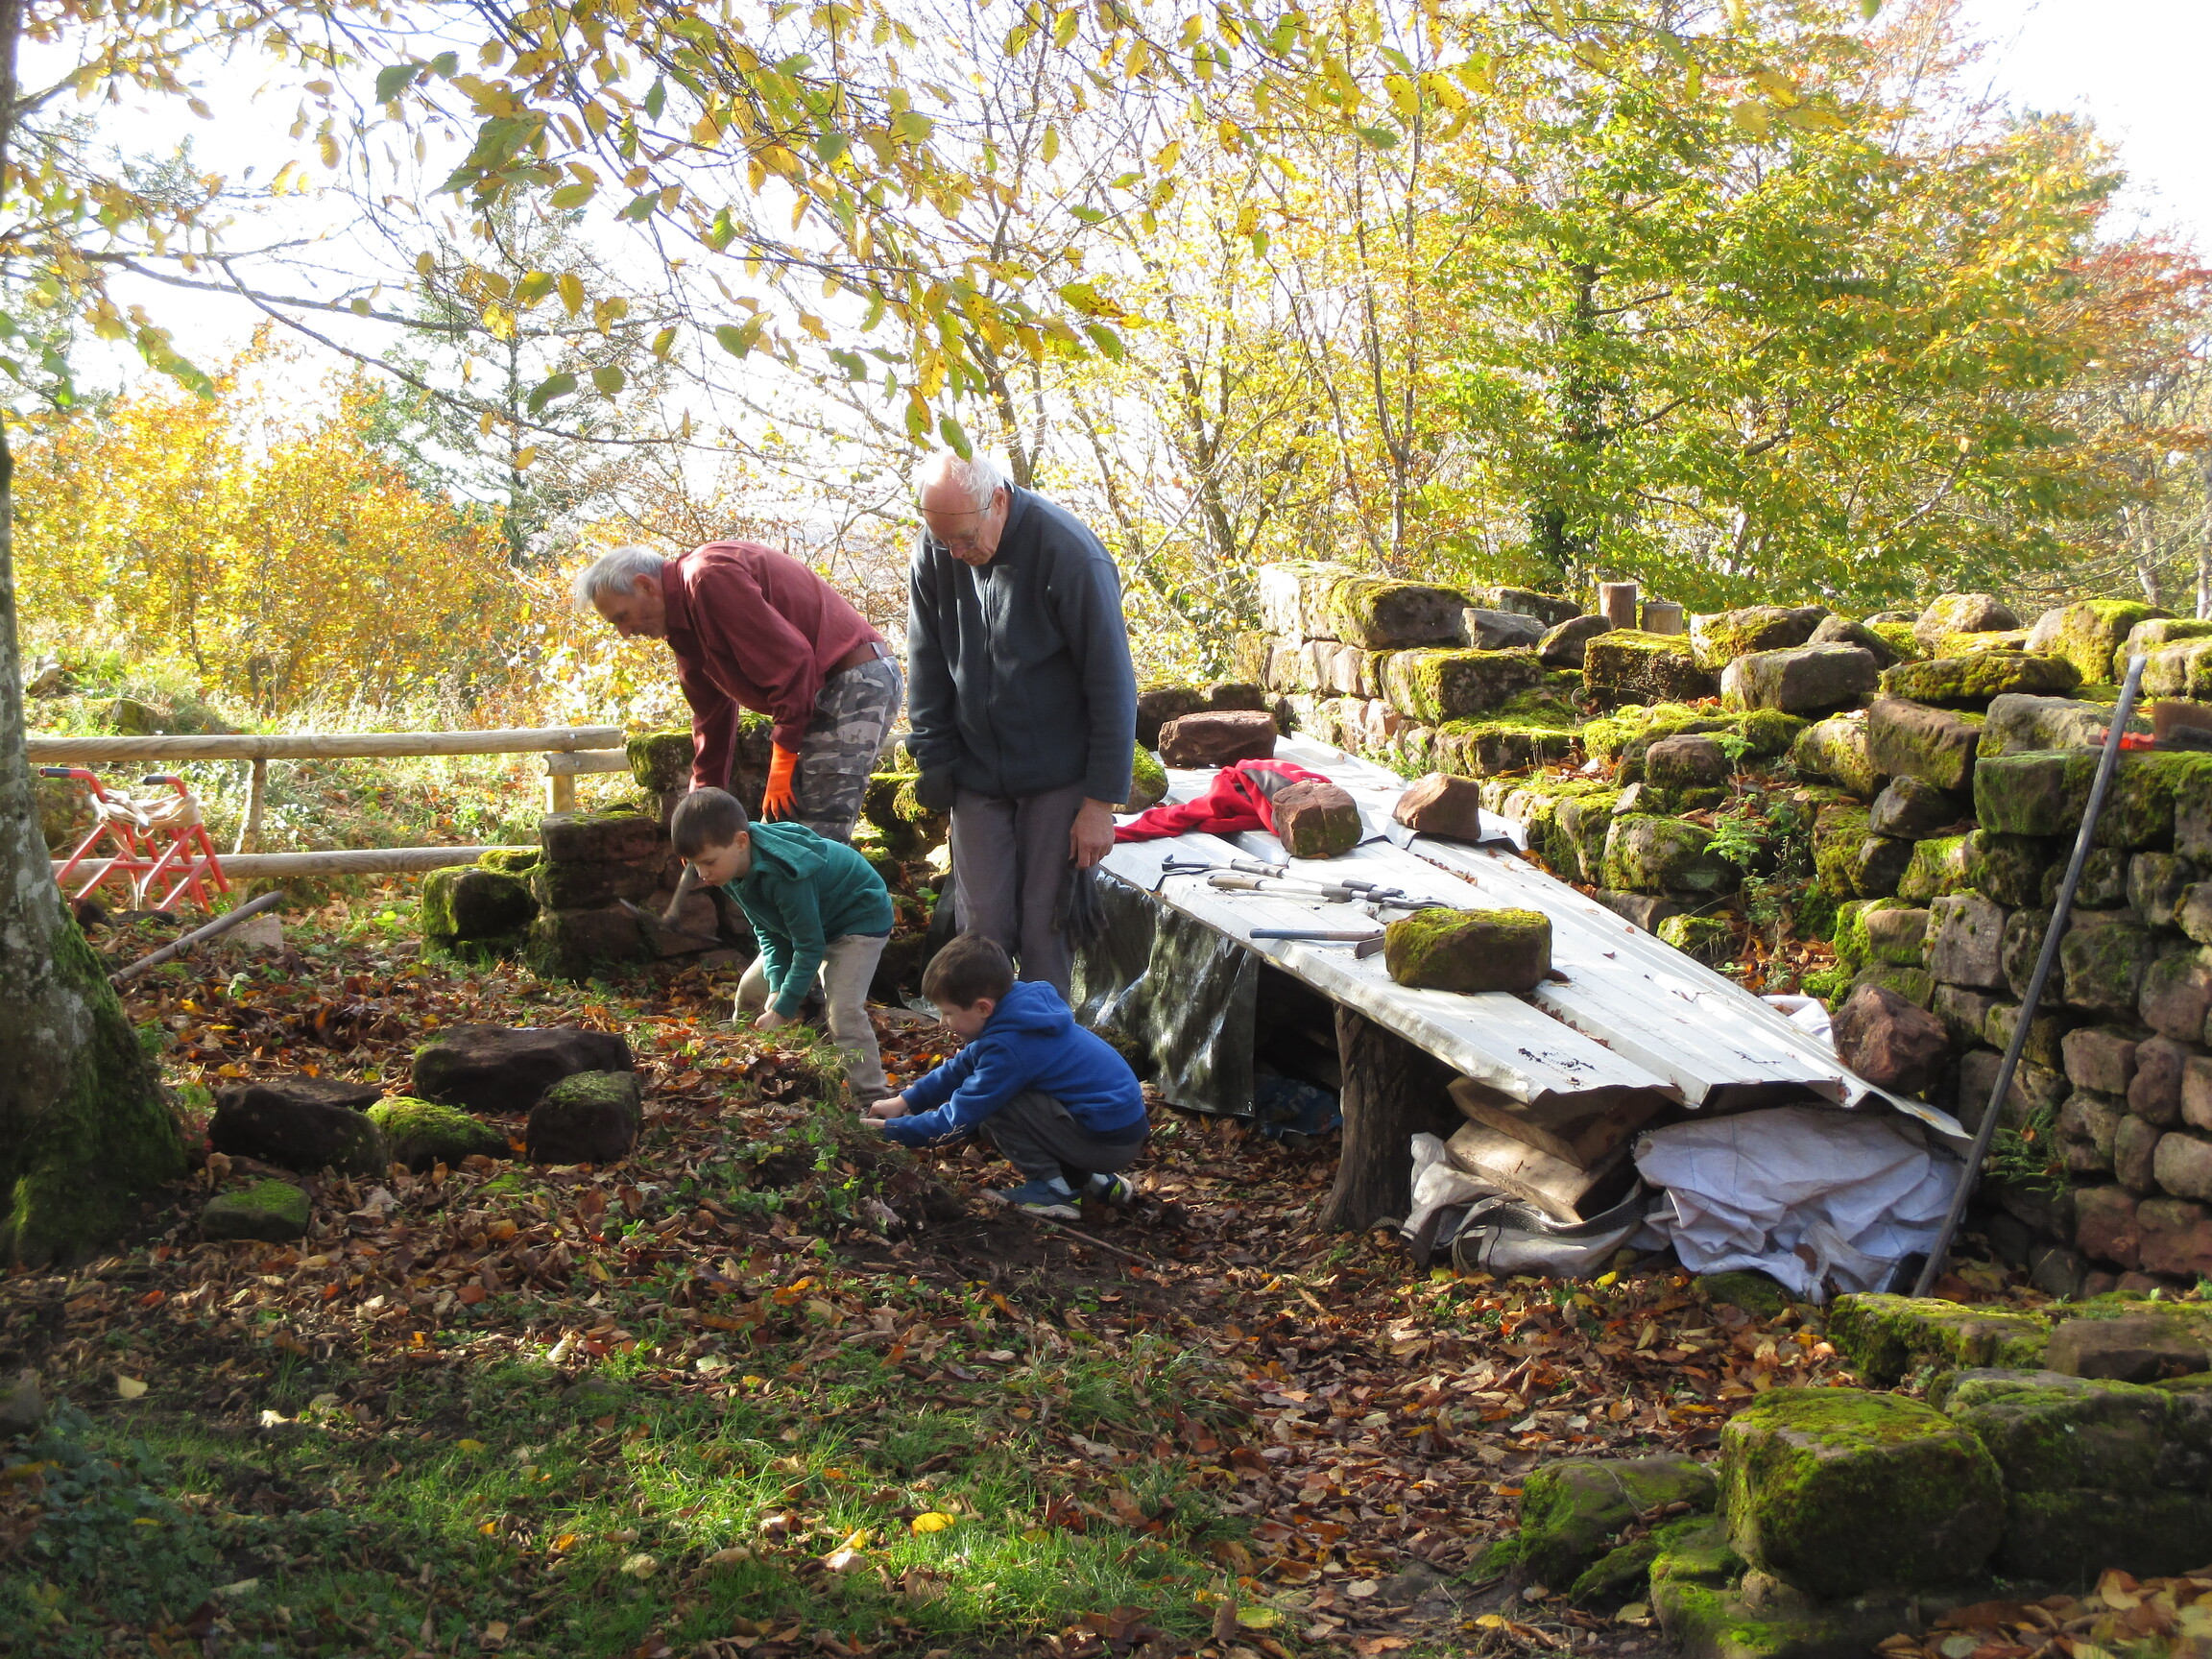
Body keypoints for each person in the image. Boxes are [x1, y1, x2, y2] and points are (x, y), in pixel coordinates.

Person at [904, 452, 1137, 998]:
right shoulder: (937, 549)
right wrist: (933, 756)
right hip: (975, 771)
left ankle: (1043, 1045)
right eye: (943, 541)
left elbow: (1112, 684)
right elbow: (926, 661)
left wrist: (1100, 802)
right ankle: (985, 1044)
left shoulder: (1069, 554)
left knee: (1045, 929)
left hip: (1058, 774)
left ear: (998, 501)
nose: (955, 554)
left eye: (964, 539)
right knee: (980, 930)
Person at [575, 541, 901, 842]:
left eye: (622, 617)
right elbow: (711, 718)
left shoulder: (708, 577)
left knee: (815, 835)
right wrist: (701, 811)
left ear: (646, 586)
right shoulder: (683, 626)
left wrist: (782, 760)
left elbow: (793, 663)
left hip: (854, 682)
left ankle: (848, 888)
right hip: (818, 693)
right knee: (780, 834)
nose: (625, 633)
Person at [868, 932, 1148, 1219]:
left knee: (997, 1106)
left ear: (983, 1007)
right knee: (1000, 1109)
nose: (942, 1023)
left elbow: (956, 1119)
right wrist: (904, 1102)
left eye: (948, 1013)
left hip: (1108, 1144)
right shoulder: (1020, 1012)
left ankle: (1054, 1190)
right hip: (1115, 1131)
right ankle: (1095, 1183)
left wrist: (891, 1131)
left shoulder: (1011, 1047)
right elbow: (962, 1066)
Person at [670, 787, 892, 1099]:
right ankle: (741, 1068)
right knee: (750, 994)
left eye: (708, 862)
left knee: (843, 1014)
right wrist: (777, 989)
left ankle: (874, 1100)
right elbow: (770, 931)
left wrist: (784, 1008)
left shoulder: (784, 874)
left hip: (856, 923)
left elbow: (809, 947)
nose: (702, 874)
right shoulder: (728, 869)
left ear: (741, 841)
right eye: (694, 864)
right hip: (809, 928)